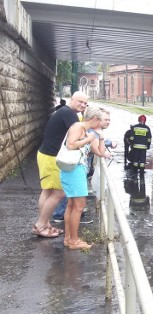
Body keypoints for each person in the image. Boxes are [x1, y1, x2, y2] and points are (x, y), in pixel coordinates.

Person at [32, 91, 88, 238]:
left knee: (48, 191)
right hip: (51, 158)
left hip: (45, 155)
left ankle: (45, 224)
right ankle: (40, 225)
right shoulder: (70, 115)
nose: (82, 105)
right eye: (80, 101)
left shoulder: (65, 111)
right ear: (72, 100)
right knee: (59, 193)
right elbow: (76, 137)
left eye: (85, 103)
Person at [60, 106, 111, 250]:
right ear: (94, 119)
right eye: (100, 120)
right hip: (74, 171)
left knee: (72, 205)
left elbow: (100, 153)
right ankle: (74, 241)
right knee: (79, 206)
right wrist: (88, 139)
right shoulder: (78, 127)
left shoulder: (89, 131)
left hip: (76, 170)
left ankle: (68, 238)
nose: (101, 123)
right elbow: (70, 145)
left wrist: (100, 137)